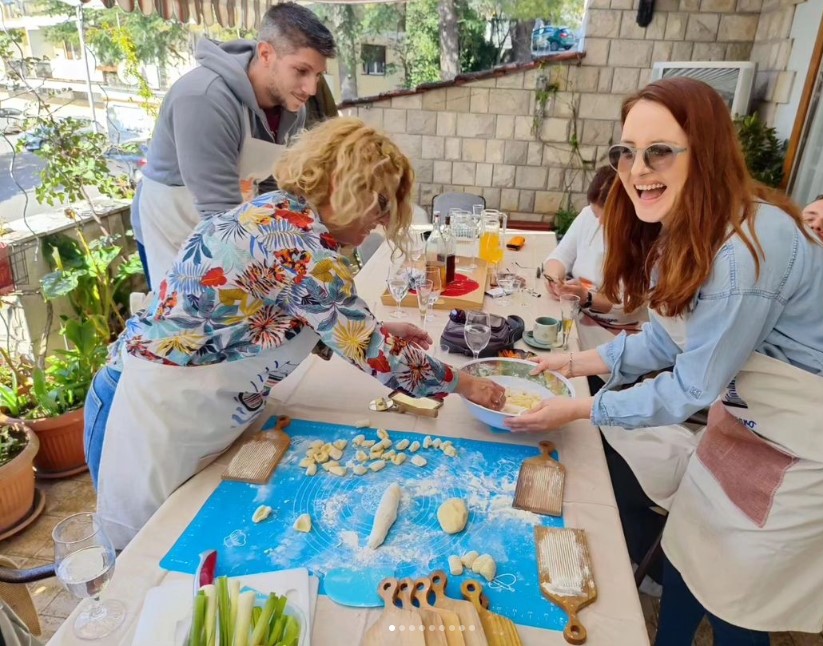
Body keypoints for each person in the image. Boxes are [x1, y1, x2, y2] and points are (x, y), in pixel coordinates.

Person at [507, 78, 823, 644]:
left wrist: (580, 412)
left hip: (811, 443)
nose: (637, 168)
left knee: (739, 598)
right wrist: (575, 366)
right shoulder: (688, 231)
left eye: (660, 151)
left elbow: (691, 385)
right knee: (687, 554)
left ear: (708, 152)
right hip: (748, 421)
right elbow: (670, 337)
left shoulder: (749, 246)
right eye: (626, 152)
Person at [84, 118, 506, 549]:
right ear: (343, 181)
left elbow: (276, 314)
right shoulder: (299, 243)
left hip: (184, 405)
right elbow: (377, 353)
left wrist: (363, 331)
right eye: (378, 204)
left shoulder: (280, 213)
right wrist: (464, 382)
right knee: (142, 553)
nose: (378, 223)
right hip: (150, 413)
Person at [133, 2, 336, 289]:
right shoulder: (204, 98)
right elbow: (219, 218)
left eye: (317, 75)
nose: (311, 89)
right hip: (171, 224)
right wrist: (280, 281)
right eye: (301, 71)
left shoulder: (292, 107)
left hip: (226, 218)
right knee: (182, 319)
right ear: (266, 53)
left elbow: (270, 191)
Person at [543, 166, 642, 326]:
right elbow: (560, 256)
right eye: (596, 214)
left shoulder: (642, 239)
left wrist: (586, 297)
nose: (600, 222)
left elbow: (628, 304)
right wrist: (554, 279)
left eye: (608, 216)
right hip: (579, 314)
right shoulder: (588, 215)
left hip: (621, 328)